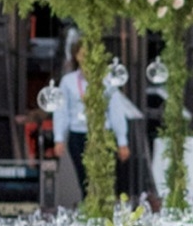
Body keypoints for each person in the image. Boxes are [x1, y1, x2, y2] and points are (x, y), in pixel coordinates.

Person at [53, 49, 137, 201]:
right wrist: (58, 137)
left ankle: (105, 210)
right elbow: (61, 110)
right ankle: (90, 210)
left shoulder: (106, 80)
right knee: (84, 178)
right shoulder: (68, 81)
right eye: (82, 53)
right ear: (77, 56)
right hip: (78, 133)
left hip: (103, 132)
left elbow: (115, 109)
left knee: (104, 177)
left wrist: (122, 140)